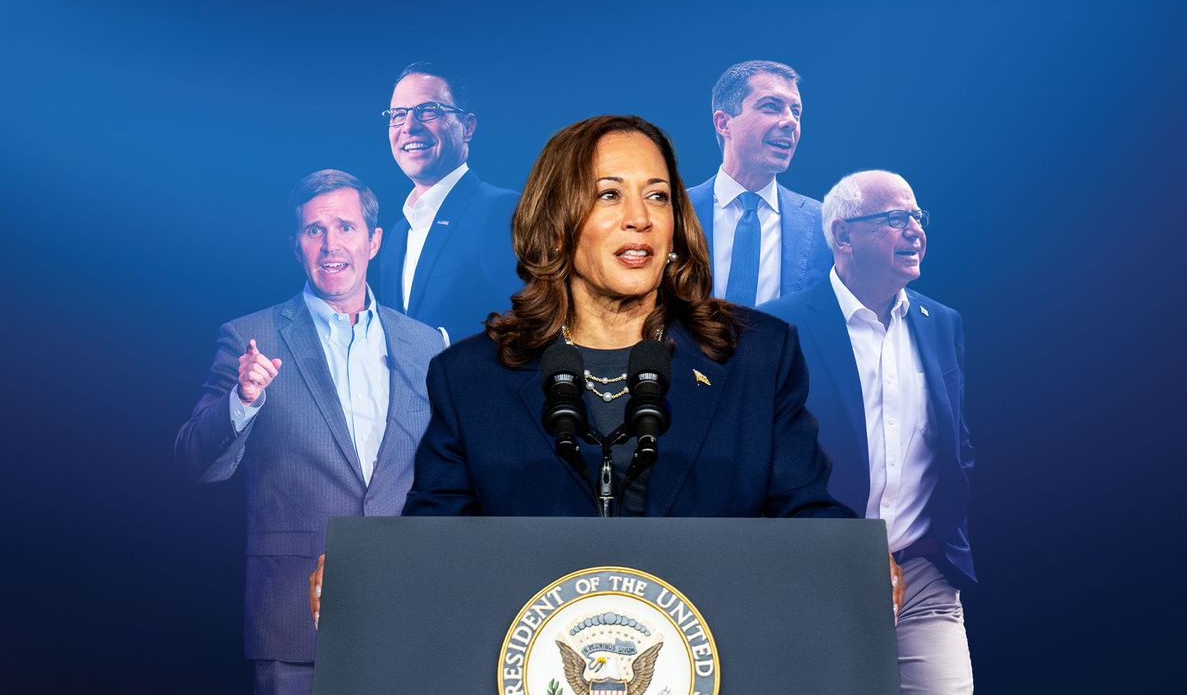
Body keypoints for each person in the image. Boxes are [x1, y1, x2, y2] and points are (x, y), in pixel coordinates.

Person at [309, 117, 904, 623]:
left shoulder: (757, 356)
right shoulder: (471, 377)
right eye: (609, 194)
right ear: (557, 220)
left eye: (659, 195)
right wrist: (370, 572)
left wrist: (852, 556)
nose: (640, 218)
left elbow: (802, 509)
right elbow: (435, 544)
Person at [175, 170, 444, 695]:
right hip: (295, 620)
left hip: (409, 609)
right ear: (297, 247)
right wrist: (243, 400)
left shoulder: (425, 344)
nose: (330, 244)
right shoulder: (250, 337)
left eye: (345, 227)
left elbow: (445, 473)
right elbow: (194, 459)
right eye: (313, 231)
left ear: (374, 241)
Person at [763, 170, 974, 694]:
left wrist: (942, 542)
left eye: (917, 217)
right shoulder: (778, 328)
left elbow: (955, 445)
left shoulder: (940, 322)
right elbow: (765, 463)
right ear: (842, 237)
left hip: (923, 573)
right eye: (893, 219)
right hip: (818, 577)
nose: (914, 230)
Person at [379, 61, 521, 344]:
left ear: (467, 127)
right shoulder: (396, 235)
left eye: (427, 110)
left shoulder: (499, 210)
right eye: (398, 114)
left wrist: (441, 348)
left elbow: (529, 323)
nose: (409, 127)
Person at [687, 60, 832, 308]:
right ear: (724, 123)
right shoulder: (674, 211)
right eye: (771, 107)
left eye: (796, 112)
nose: (791, 122)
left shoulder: (824, 224)